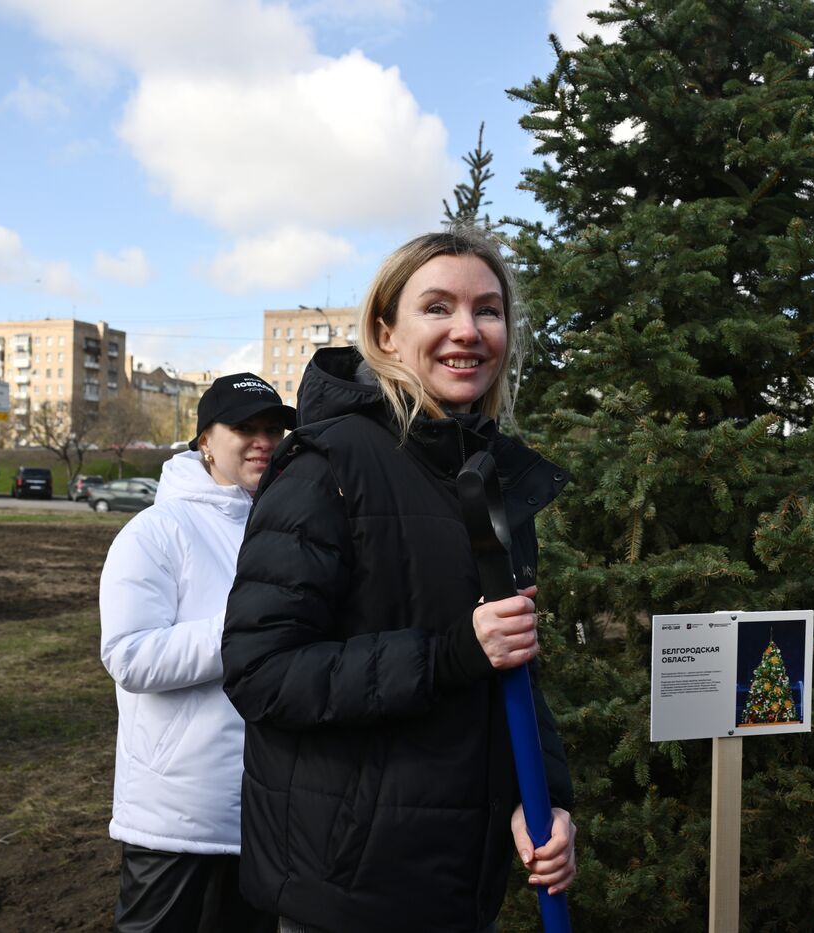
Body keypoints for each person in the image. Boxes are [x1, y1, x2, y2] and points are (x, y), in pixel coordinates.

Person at [222, 229, 576, 933]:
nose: (467, 331)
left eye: (488, 311)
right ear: (385, 331)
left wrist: (547, 803)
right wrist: (449, 652)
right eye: (437, 308)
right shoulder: (329, 463)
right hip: (348, 888)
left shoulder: (488, 476)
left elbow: (511, 666)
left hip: (453, 881)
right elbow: (260, 670)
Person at [99, 373, 296, 933]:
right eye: (244, 428)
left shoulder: (285, 527)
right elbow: (130, 656)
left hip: (265, 802)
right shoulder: (156, 531)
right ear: (205, 440)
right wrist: (245, 633)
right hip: (178, 811)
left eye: (273, 429)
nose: (263, 440)